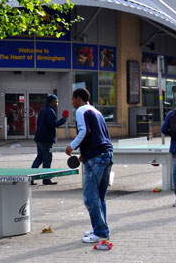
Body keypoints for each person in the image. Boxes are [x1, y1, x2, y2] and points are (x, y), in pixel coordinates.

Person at [65, 88, 113, 243]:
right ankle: (101, 228)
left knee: (90, 198)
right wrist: (85, 154)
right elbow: (100, 135)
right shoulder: (96, 111)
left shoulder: (81, 111)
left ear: (78, 99)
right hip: (106, 154)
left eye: (73, 99)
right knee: (100, 197)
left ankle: (100, 232)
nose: (72, 103)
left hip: (97, 158)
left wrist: (71, 146)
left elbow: (84, 131)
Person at [31, 95, 68, 185]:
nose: (57, 104)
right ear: (51, 102)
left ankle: (31, 177)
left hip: (39, 138)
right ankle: (46, 179)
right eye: (56, 102)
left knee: (39, 157)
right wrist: (63, 120)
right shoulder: (50, 112)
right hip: (46, 139)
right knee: (47, 159)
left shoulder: (42, 111)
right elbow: (53, 124)